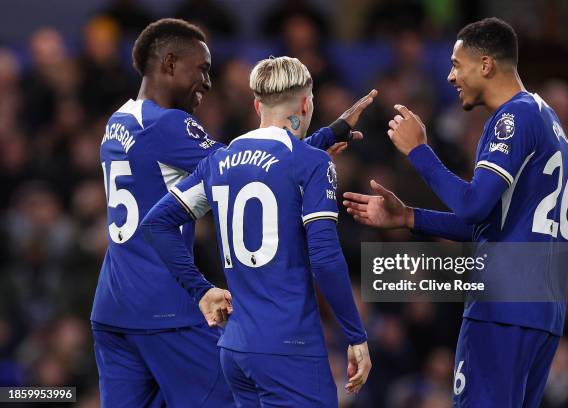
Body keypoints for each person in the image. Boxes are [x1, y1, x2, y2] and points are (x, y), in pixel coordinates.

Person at [92, 18, 375, 407]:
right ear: (170, 63)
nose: (207, 82)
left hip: (111, 308)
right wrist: (319, 144)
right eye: (202, 69)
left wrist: (323, 139)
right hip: (165, 310)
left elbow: (239, 166)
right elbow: (248, 168)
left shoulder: (117, 122)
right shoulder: (170, 125)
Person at [343, 17, 568, 407]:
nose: (450, 76)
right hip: (542, 313)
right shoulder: (547, 118)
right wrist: (410, 218)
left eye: (456, 64)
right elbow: (490, 224)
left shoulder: (513, 117)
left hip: (501, 307)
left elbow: (472, 206)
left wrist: (419, 151)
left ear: (485, 65)